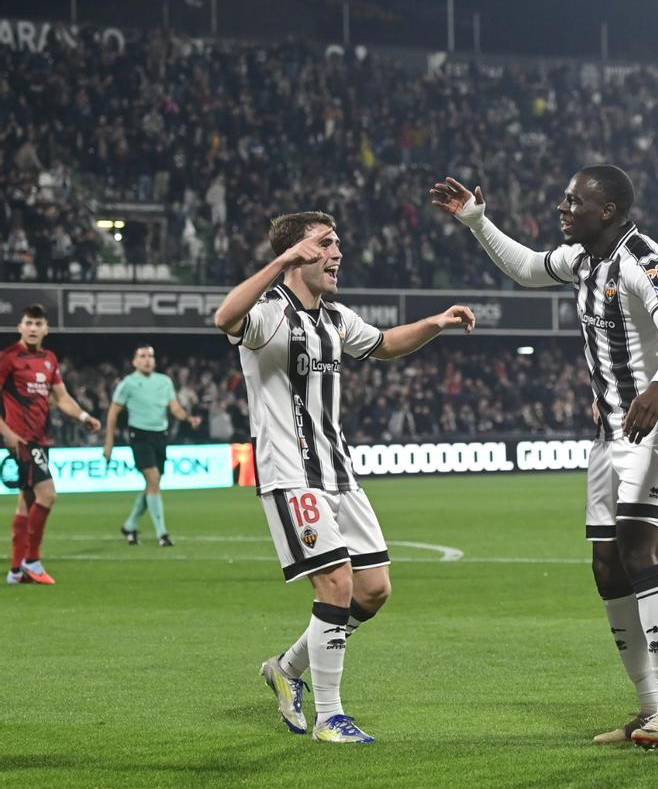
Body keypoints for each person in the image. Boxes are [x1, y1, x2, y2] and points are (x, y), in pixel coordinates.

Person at [431, 166, 658, 749]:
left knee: (639, 550)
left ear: (606, 211)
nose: (562, 207)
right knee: (607, 565)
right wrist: (477, 222)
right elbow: (528, 268)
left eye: (574, 201)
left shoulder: (641, 259)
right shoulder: (583, 259)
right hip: (611, 435)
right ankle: (650, 708)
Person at [213, 210, 475, 743]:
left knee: (373, 590)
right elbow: (224, 316)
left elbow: (385, 343)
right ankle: (330, 717)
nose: (337, 254)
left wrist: (435, 324)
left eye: (338, 245)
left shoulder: (335, 319)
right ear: (297, 254)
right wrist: (281, 260)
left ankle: (286, 671)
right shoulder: (266, 315)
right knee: (335, 583)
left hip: (340, 472)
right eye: (324, 245)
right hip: (291, 475)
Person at [1, 304, 102, 585]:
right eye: (28, 323)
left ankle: (15, 571)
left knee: (27, 501)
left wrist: (84, 416)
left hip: (41, 439)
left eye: (38, 324)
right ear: (20, 327)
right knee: (48, 495)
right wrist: (7, 432)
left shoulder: (49, 359)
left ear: (46, 329)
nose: (33, 328)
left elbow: (62, 397)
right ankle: (32, 561)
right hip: (22, 440)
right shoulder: (8, 358)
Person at [103, 345, 204, 547]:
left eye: (150, 356)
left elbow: (174, 407)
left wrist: (188, 418)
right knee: (153, 478)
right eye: (142, 356)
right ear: (134, 362)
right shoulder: (128, 384)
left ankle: (130, 525)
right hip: (139, 435)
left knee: (153, 484)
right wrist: (109, 443)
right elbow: (113, 413)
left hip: (160, 436)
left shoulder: (164, 382)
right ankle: (162, 534)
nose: (147, 360)